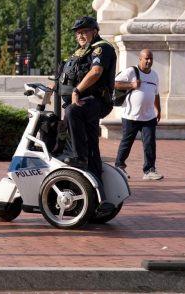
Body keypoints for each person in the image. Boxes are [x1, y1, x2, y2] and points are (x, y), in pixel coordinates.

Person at [55, 16, 116, 177]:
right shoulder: (80, 52)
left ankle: (79, 157)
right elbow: (67, 75)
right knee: (91, 142)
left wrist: (76, 91)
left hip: (97, 100)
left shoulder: (102, 48)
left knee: (72, 112)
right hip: (85, 101)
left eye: (84, 32)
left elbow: (96, 72)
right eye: (77, 33)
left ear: (95, 32)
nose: (80, 36)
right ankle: (95, 181)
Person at [114, 49, 164, 181]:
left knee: (150, 144)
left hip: (149, 116)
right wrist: (131, 84)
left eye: (151, 59)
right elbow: (115, 83)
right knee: (127, 142)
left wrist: (158, 110)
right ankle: (119, 167)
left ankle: (149, 170)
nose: (149, 61)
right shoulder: (131, 71)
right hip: (131, 116)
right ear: (140, 59)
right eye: (146, 58)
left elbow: (156, 94)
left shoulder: (154, 75)